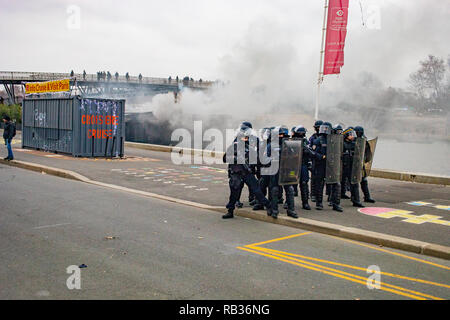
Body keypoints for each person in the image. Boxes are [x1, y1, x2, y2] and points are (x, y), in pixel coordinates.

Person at [222, 123, 272, 219]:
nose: (245, 139)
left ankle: (268, 205)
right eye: (244, 137)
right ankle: (230, 211)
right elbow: (225, 158)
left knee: (257, 190)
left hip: (247, 172)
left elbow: (257, 160)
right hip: (236, 173)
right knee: (234, 193)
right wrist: (235, 159)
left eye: (247, 137)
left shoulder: (250, 148)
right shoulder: (234, 146)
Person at [266, 125, 298, 219]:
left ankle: (291, 210)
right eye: (280, 134)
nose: (281, 136)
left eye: (283, 134)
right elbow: (266, 158)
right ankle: (273, 209)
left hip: (287, 170)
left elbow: (295, 156)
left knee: (290, 190)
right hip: (275, 170)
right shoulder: (271, 145)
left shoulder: (290, 145)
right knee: (274, 190)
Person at [311, 122, 343, 212]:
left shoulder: (333, 140)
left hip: (331, 165)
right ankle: (319, 203)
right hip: (320, 165)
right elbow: (313, 153)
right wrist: (322, 157)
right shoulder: (318, 140)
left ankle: (335, 203)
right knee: (319, 184)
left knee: (335, 183)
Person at [341, 127, 364, 207]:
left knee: (354, 184)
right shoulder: (342, 144)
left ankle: (356, 200)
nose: (353, 136)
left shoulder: (354, 144)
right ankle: (333, 200)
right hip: (343, 167)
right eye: (351, 135)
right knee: (338, 184)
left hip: (351, 167)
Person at [291, 125, 313, 210]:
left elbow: (310, 152)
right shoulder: (291, 141)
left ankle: (305, 203)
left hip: (303, 165)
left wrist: (306, 150)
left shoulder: (305, 142)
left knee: (304, 183)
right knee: (291, 183)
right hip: (293, 165)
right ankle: (289, 202)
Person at [354, 126, 376, 203]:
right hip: (353, 164)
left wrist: (365, 160)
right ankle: (356, 198)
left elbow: (368, 154)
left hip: (360, 164)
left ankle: (366, 197)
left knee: (363, 181)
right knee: (354, 182)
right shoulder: (354, 141)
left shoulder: (364, 142)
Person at [309, 120, 323, 202]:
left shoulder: (326, 137)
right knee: (314, 178)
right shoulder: (313, 137)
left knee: (321, 180)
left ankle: (319, 195)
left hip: (323, 161)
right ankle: (313, 194)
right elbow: (310, 150)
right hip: (315, 160)